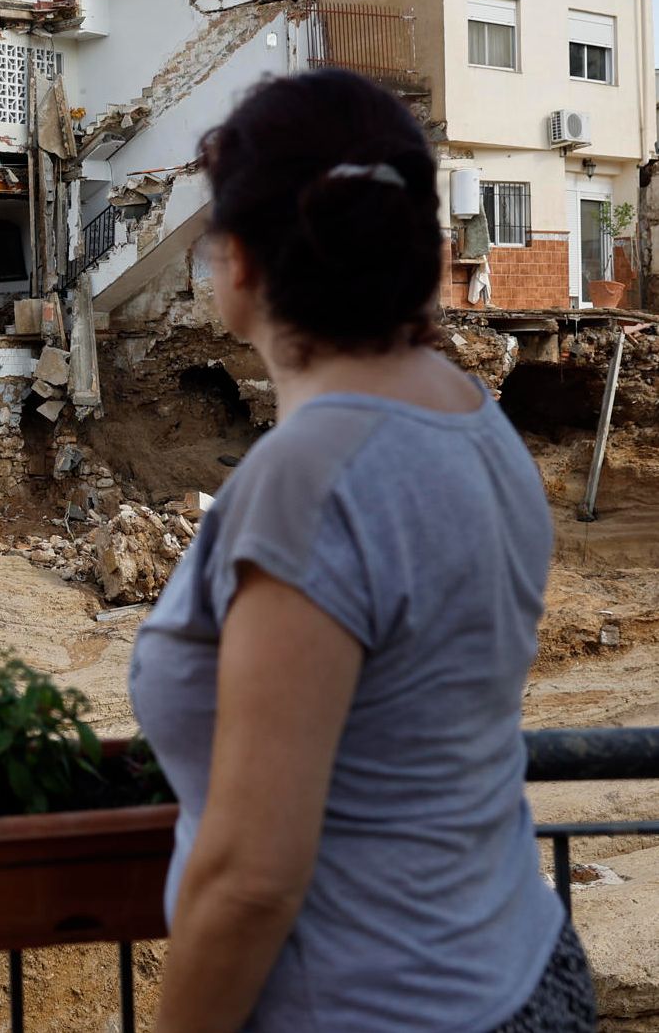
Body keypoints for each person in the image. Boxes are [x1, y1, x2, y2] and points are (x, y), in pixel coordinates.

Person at [130, 69, 594, 1033]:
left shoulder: (311, 479)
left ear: (241, 263)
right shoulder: (474, 420)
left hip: (377, 1006)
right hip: (524, 966)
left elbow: (254, 878)